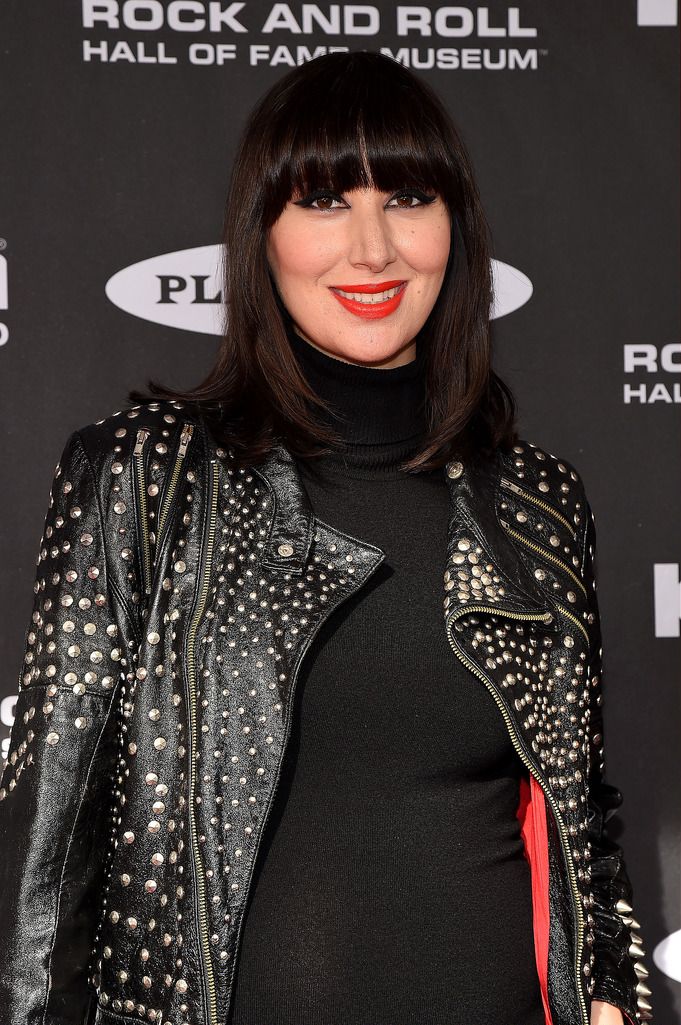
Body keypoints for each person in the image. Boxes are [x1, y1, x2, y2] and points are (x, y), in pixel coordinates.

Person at [0, 50, 651, 1025]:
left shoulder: (539, 498)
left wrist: (609, 992)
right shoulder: (141, 475)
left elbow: (581, 821)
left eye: (408, 196)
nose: (374, 248)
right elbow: (43, 863)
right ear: (260, 235)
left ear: (456, 228)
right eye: (324, 201)